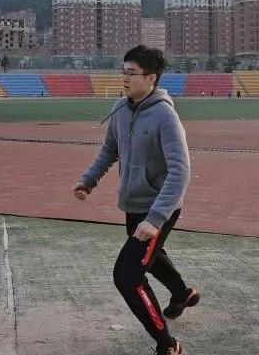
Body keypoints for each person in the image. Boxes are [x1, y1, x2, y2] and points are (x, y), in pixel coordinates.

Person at [73, 45, 195, 355]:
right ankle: (183, 293)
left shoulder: (165, 116)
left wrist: (155, 220)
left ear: (151, 78)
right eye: (123, 72)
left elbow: (180, 171)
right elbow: (109, 149)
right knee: (150, 259)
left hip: (158, 208)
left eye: (132, 73)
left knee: (128, 277)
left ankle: (167, 345)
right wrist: (89, 179)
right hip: (133, 205)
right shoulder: (120, 108)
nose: (125, 78)